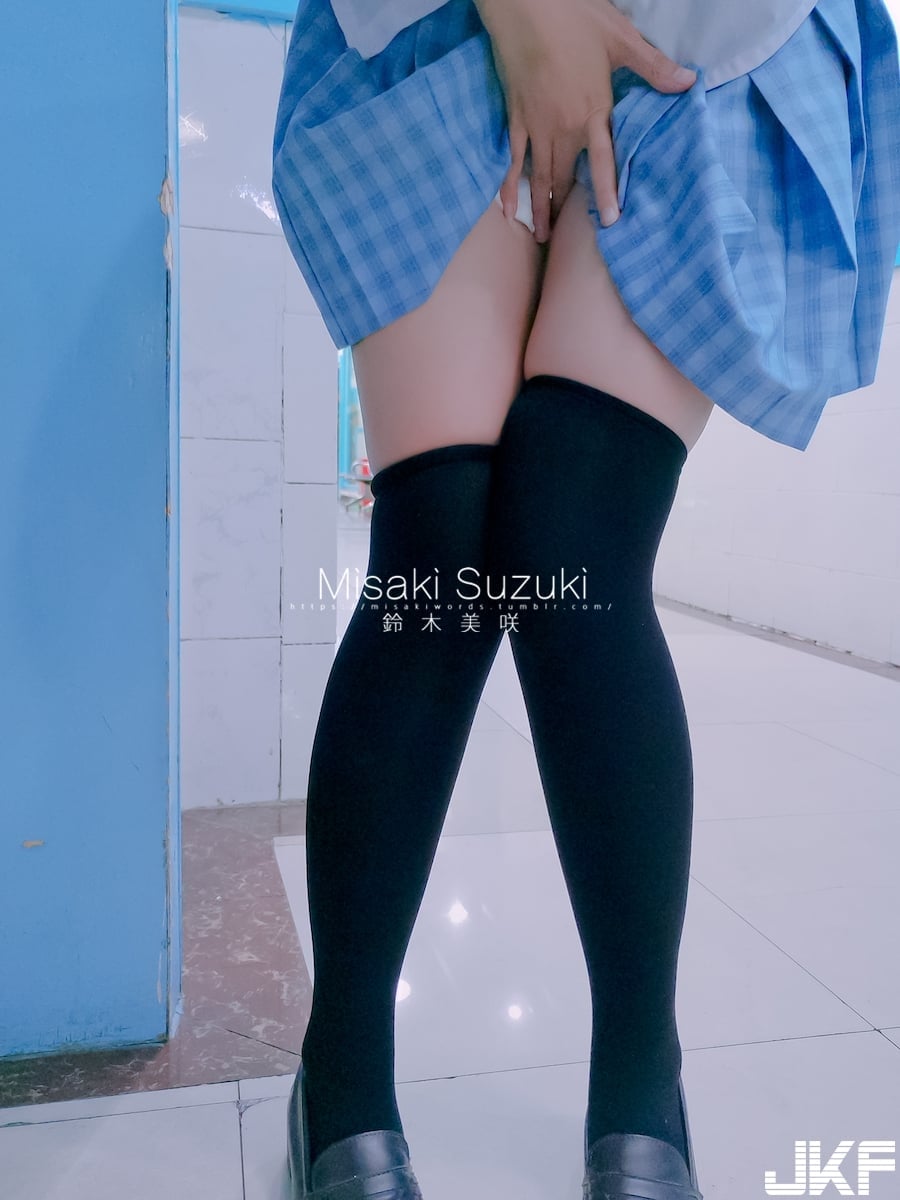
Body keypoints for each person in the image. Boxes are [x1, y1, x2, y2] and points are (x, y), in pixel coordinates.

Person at [271, 1, 900, 1196]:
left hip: (704, 45)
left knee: (576, 550)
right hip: (449, 24)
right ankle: (340, 1068)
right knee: (442, 561)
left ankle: (641, 1075)